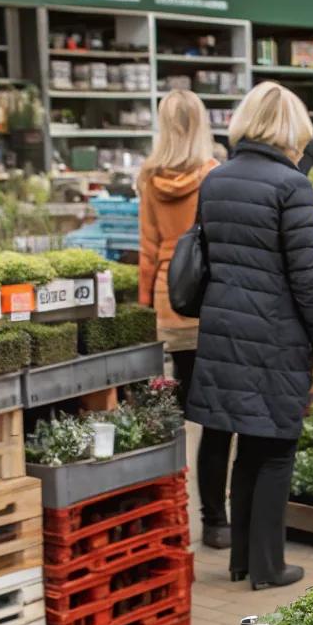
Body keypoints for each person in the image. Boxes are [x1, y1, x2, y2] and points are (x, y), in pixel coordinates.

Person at [186, 81, 313, 590]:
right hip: (274, 336)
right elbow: (307, 279)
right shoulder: (291, 185)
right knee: (274, 447)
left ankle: (242, 562)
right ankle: (268, 567)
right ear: (292, 128)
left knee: (247, 445)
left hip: (223, 328)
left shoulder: (216, 178)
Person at [137, 90, 232, 549]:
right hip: (208, 302)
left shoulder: (149, 177)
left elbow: (149, 250)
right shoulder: (215, 175)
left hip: (167, 303)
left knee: (172, 413)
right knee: (214, 417)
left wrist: (144, 311)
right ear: (201, 124)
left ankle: (169, 518)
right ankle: (215, 521)